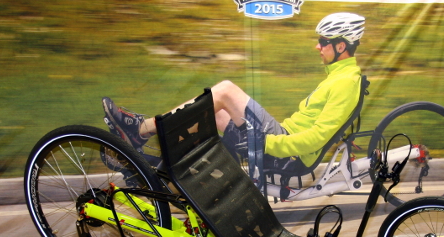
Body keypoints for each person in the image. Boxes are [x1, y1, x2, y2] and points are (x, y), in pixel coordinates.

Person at [103, 12, 364, 177]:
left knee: (226, 90)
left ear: (341, 46)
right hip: (283, 138)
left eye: (324, 42)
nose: (318, 46)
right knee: (215, 114)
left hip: (287, 152)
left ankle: (142, 130)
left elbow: (317, 137)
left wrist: (265, 144)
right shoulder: (338, 77)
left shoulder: (345, 83)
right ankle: (172, 165)